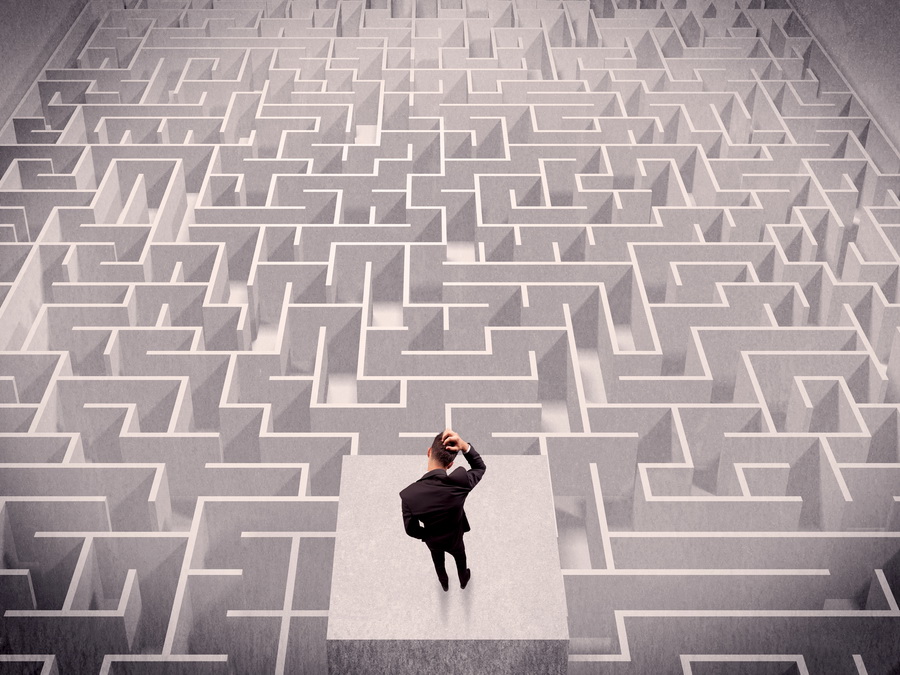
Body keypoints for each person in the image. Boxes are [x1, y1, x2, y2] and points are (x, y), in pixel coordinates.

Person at [399, 429, 486, 591]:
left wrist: (428, 536)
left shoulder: (408, 495)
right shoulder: (460, 482)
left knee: (438, 562)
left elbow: (411, 529)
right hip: (455, 537)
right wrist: (464, 446)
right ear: (451, 464)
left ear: (429, 452)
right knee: (461, 559)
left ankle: (444, 582)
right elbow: (479, 467)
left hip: (433, 540)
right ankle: (463, 579)